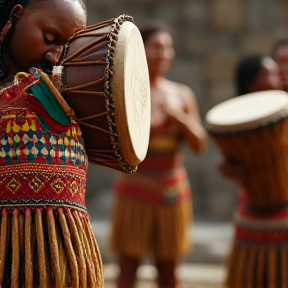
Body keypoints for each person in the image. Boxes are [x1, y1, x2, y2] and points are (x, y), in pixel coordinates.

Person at [0, 0, 104, 287]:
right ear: (16, 16)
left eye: (69, 49)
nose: (56, 56)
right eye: (49, 38)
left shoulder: (74, 94)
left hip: (64, 249)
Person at [110, 20, 207, 288]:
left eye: (167, 48)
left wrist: (180, 118)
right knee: (127, 269)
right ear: (141, 50)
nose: (163, 54)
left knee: (169, 272)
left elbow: (200, 144)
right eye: (156, 47)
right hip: (134, 189)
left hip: (171, 190)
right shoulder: (125, 89)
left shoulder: (181, 94)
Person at [217, 54, 287, 288]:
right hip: (252, 216)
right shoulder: (236, 120)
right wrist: (225, 168)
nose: (281, 74)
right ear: (253, 84)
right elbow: (226, 162)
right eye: (275, 70)